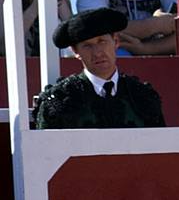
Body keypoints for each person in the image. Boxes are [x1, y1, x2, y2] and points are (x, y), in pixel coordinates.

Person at [32, 8, 165, 129]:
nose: (97, 52)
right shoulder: (60, 101)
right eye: (87, 46)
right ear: (75, 51)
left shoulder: (142, 96)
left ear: (116, 42)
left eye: (102, 42)